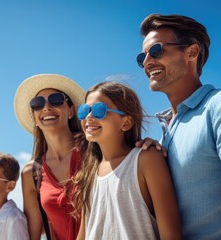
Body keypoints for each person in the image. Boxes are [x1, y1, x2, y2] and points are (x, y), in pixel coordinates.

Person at [137, 13, 221, 239]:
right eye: (141, 57)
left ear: (191, 52)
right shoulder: (161, 139)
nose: (146, 62)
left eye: (156, 50)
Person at [72, 82, 181, 240]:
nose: (89, 117)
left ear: (126, 123)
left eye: (98, 111)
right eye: (84, 111)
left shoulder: (146, 159)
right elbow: (84, 234)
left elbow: (171, 234)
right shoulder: (89, 172)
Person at [14, 74, 86, 240]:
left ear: (71, 110)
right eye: (37, 104)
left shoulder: (94, 150)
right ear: (35, 118)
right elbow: (33, 234)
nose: (46, 107)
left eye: (56, 100)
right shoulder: (31, 173)